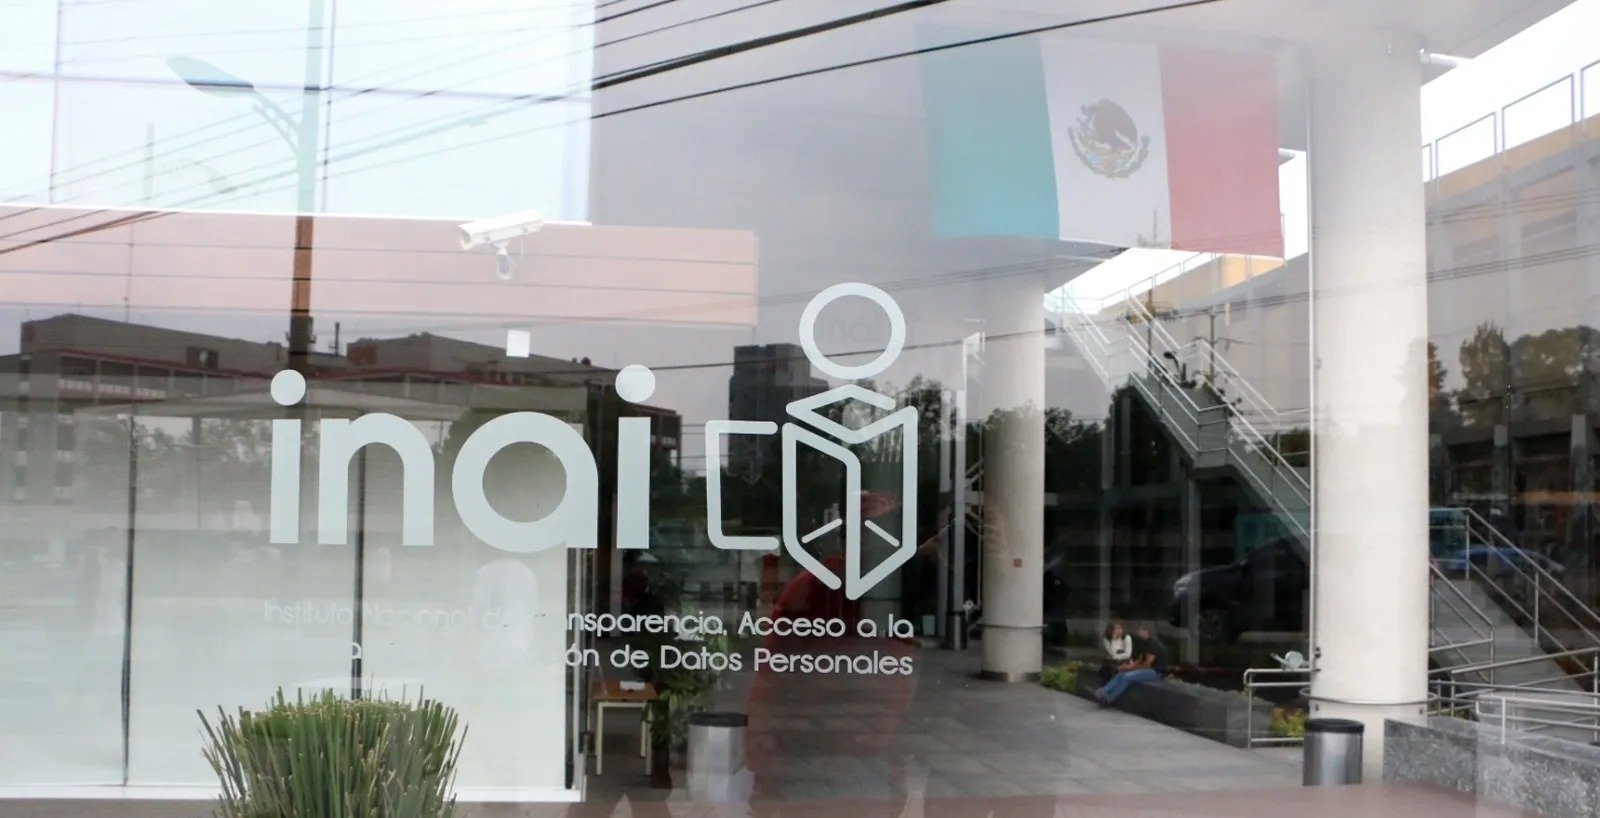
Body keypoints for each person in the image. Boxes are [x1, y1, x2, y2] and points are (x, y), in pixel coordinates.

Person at [1093, 624, 1169, 705]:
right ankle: (1102, 692)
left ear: (1146, 631)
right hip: (1149, 669)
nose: (1138, 632)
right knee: (1120, 674)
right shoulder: (1146, 642)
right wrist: (1127, 667)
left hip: (1156, 672)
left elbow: (1147, 665)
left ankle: (1109, 698)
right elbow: (1140, 660)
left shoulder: (1153, 644)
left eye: (1140, 631)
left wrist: (1130, 668)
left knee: (1127, 677)